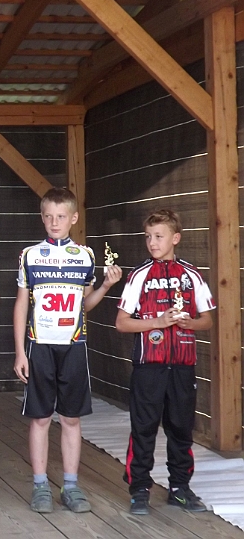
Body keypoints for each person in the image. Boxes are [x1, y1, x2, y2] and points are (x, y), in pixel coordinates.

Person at [13, 187, 122, 513]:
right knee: (40, 418)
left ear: (74, 218)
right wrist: (20, 352)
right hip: (39, 345)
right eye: (48, 216)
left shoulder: (85, 256)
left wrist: (106, 285)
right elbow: (21, 305)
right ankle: (40, 485)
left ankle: (71, 486)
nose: (54, 222)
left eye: (61, 216)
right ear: (42, 217)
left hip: (73, 346)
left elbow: (84, 305)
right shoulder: (29, 255)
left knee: (71, 419)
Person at [115, 209, 214, 515]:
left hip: (183, 365)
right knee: (144, 428)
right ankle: (139, 489)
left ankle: (180, 488)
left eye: (159, 236)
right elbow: (121, 323)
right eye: (148, 236)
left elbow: (207, 320)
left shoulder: (192, 274)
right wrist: (157, 322)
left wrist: (189, 323)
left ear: (176, 238)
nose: (152, 242)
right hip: (149, 364)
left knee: (181, 428)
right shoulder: (139, 275)